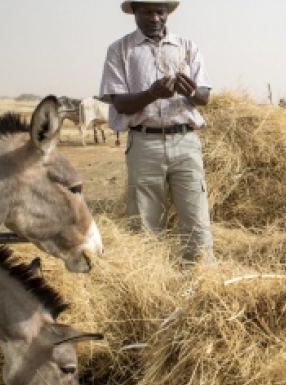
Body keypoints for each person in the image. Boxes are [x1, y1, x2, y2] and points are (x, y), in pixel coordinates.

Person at [99, 0, 215, 268]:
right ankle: (152, 281)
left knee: (196, 218)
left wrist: (190, 92)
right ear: (135, 13)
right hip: (144, 142)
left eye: (159, 11)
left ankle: (200, 280)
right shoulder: (120, 50)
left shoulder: (187, 47)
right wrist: (151, 94)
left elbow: (204, 97)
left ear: (167, 14)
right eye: (146, 11)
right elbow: (119, 102)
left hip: (185, 141)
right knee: (145, 223)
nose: (154, 17)